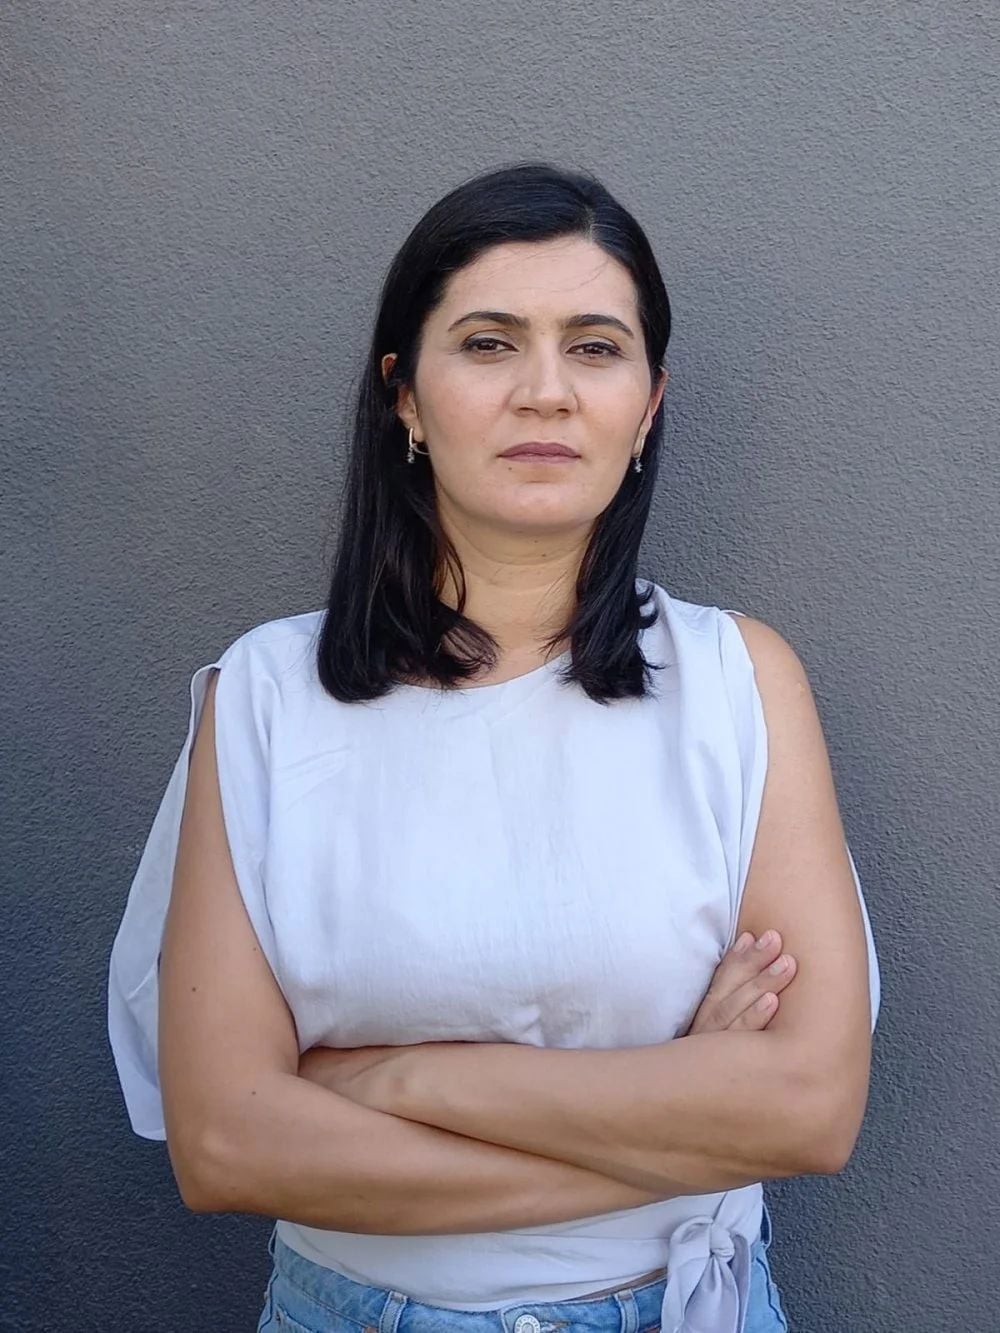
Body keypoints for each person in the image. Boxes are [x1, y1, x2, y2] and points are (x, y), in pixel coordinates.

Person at [108, 161, 880, 1333]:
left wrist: (405, 1078)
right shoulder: (266, 696)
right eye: (487, 343)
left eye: (593, 348)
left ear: (648, 406)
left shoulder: (738, 681)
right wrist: (678, 1125)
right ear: (405, 399)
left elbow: (808, 1110)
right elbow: (224, 1144)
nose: (545, 392)